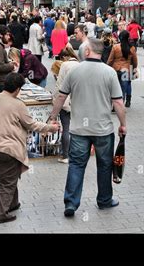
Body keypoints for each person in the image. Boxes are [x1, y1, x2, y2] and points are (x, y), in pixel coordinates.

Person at [49, 38, 127, 217]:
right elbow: (118, 102)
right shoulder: (109, 72)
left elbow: (61, 97)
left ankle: (71, 203)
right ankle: (104, 200)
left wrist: (53, 118)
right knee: (105, 165)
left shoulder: (74, 72)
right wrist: (123, 125)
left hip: (78, 130)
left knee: (76, 165)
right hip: (103, 130)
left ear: (87, 52)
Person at [0, 73, 59, 224]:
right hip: (8, 150)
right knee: (7, 182)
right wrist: (51, 127)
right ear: (17, 89)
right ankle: (2, 214)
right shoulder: (18, 104)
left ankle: (13, 203)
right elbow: (31, 125)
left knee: (8, 177)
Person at [54, 46, 80, 164]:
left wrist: (55, 100)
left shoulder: (65, 65)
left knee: (66, 128)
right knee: (76, 128)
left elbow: (60, 85)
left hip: (66, 101)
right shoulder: (80, 65)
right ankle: (76, 153)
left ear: (64, 57)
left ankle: (65, 156)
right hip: (78, 101)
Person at [107, 30, 138, 108]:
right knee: (123, 89)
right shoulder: (132, 48)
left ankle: (114, 105)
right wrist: (134, 68)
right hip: (126, 71)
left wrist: (107, 67)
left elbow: (110, 60)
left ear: (120, 37)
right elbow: (135, 61)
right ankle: (120, 105)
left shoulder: (115, 47)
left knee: (114, 88)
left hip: (115, 70)